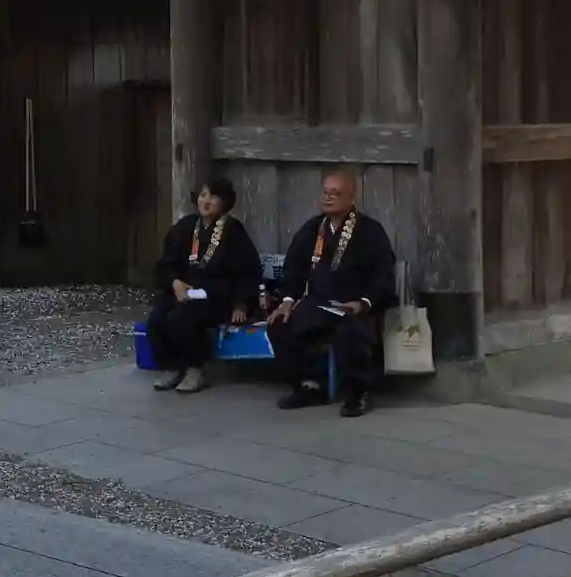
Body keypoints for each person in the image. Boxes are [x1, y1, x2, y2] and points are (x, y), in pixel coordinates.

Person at [268, 170, 396, 418]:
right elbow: (295, 267)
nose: (328, 198)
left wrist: (363, 302)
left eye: (335, 194)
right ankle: (309, 385)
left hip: (354, 307)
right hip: (319, 304)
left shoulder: (370, 231)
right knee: (280, 324)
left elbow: (383, 275)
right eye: (325, 192)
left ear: (351, 198)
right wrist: (287, 300)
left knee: (350, 332)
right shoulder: (313, 229)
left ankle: (357, 393)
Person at [146, 177, 261, 393]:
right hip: (185, 291)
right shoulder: (186, 227)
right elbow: (166, 263)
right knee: (157, 318)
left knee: (180, 318)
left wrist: (242, 304)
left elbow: (248, 271)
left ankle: (196, 368)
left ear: (224, 202)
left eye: (213, 196)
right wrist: (174, 282)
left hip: (217, 297)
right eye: (203, 195)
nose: (206, 201)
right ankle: (171, 366)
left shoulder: (233, 230)